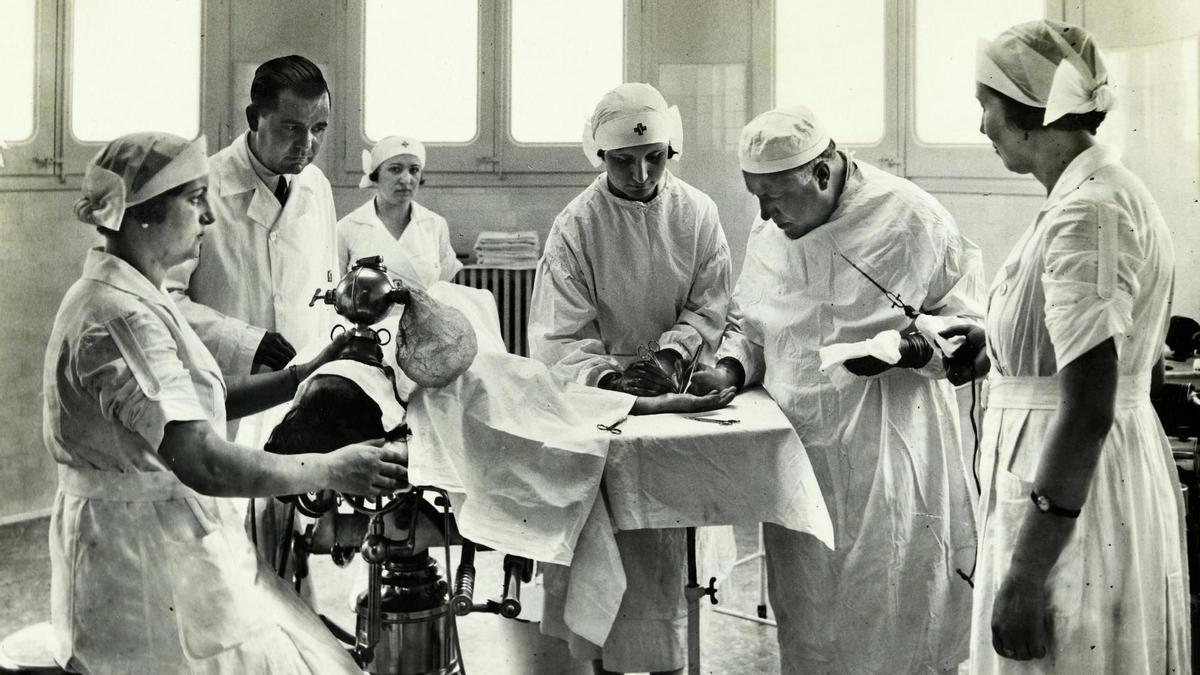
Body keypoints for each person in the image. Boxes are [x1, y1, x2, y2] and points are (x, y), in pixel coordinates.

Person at [45, 132, 407, 674]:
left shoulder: (136, 294)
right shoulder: (123, 319)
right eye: (194, 201)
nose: (208, 219)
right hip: (139, 560)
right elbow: (204, 460)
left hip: (170, 534)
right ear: (143, 214)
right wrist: (334, 468)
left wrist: (300, 376)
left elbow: (191, 404)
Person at [690, 105, 984, 673]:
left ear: (821, 174)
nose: (764, 213)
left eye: (773, 196)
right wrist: (728, 370)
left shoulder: (911, 219)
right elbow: (754, 327)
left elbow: (970, 333)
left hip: (892, 453)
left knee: (893, 603)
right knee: (809, 620)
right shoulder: (772, 227)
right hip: (802, 458)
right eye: (754, 196)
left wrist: (915, 350)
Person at [950, 20, 1189, 671]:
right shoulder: (1099, 195)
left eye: (987, 107)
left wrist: (1027, 573)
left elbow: (1087, 407)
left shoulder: (1088, 213)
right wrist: (996, 345)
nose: (981, 127)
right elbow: (1135, 365)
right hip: (1090, 481)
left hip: (1070, 503)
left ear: (1030, 113)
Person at [529, 82, 733, 675]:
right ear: (598, 156)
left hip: (676, 393)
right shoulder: (576, 227)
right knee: (606, 573)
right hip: (602, 412)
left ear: (673, 151)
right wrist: (616, 384)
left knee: (668, 568)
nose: (641, 173)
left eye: (655, 158)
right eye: (623, 161)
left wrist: (673, 358)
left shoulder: (697, 213)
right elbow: (558, 338)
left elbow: (711, 302)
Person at [164, 54, 340, 580]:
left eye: (318, 129)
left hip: (297, 392)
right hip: (226, 391)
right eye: (291, 128)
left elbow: (325, 287)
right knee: (220, 554)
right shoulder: (203, 188)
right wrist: (243, 341)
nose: (306, 145)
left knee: (288, 549)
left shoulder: (317, 188)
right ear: (252, 118)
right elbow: (163, 301)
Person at [339, 135, 463, 288]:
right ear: (376, 175)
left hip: (424, 312)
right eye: (395, 169)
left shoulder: (435, 224)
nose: (406, 179)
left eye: (414, 170)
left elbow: (444, 289)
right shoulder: (347, 228)